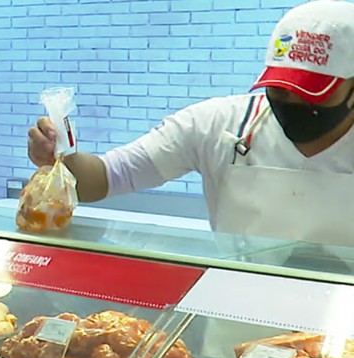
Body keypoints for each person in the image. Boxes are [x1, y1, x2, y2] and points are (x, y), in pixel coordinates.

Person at [27, 0, 354, 247]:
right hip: (237, 304)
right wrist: (63, 157)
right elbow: (109, 176)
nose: (292, 103)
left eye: (312, 93)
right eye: (281, 90)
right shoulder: (216, 124)